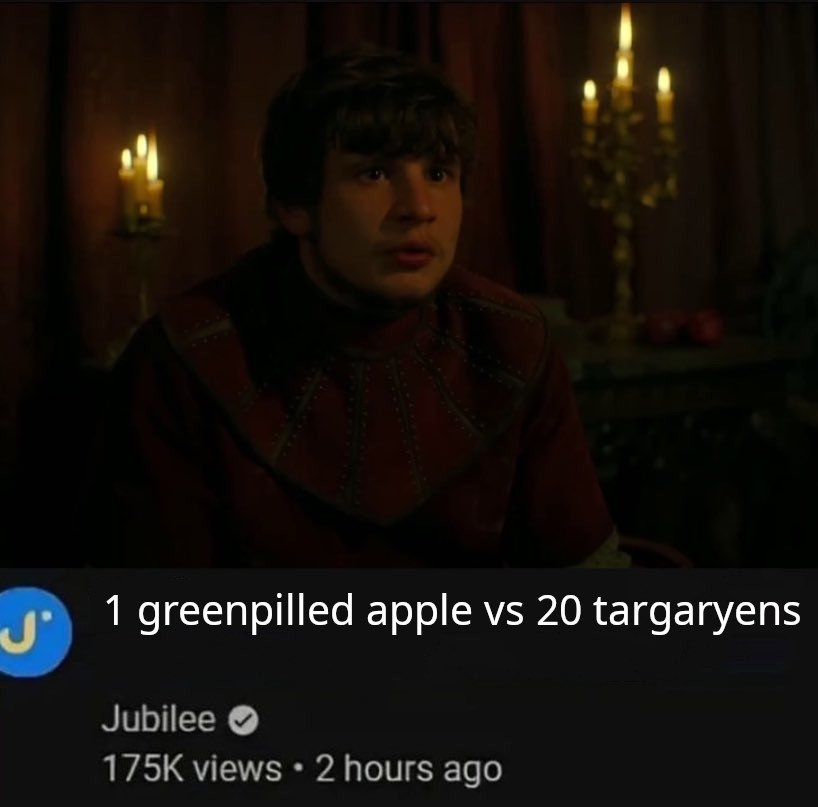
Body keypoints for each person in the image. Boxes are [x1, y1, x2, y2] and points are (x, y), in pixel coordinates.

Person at [80, 45, 628, 567]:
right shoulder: (186, 357)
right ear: (293, 205)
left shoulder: (508, 340)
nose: (418, 208)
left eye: (438, 174)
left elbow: (587, 579)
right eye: (374, 173)